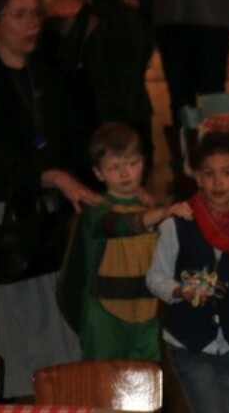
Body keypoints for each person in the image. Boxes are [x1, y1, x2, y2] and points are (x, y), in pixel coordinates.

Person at [0, 0, 100, 398]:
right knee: (5, 353)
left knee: (58, 349)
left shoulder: (48, 77)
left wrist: (113, 175)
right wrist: (49, 176)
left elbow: (75, 141)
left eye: (36, 13)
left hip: (44, 219)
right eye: (20, 15)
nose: (32, 23)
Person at [146, 130, 229, 413]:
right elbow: (154, 278)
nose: (218, 182)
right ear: (197, 177)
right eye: (209, 173)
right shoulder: (178, 223)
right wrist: (180, 291)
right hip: (188, 341)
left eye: (227, 172)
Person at [62, 121, 191, 362]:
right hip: (104, 315)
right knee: (102, 378)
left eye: (132, 163)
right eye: (114, 167)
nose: (125, 173)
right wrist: (164, 211)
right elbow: (120, 224)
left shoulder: (148, 205)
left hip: (146, 311)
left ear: (143, 163)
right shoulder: (96, 209)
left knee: (148, 378)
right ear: (98, 173)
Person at [61, 0, 153, 157]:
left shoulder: (123, 22)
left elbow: (123, 89)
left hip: (119, 137)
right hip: (94, 130)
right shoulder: (86, 15)